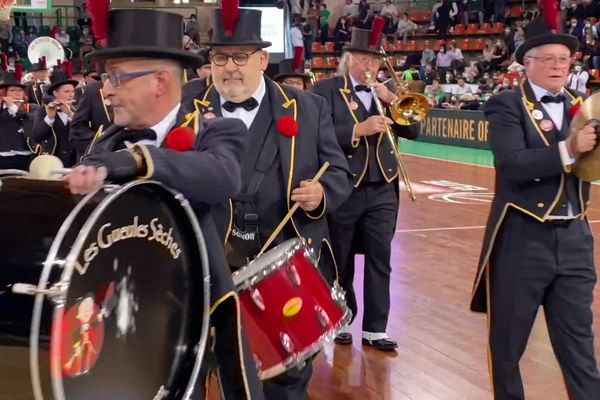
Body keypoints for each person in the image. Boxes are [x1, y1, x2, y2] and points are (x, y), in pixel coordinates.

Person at [64, 8, 263, 400]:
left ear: (159, 81)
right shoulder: (105, 143)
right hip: (120, 328)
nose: (107, 91)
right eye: (107, 78)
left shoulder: (216, 129)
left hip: (193, 323)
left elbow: (222, 175)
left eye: (116, 77)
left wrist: (136, 161)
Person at [194, 4, 352, 399]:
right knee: (228, 375)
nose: (229, 67)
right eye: (219, 57)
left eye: (240, 57)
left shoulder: (309, 107)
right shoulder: (187, 106)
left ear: (262, 60)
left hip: (290, 266)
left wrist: (320, 195)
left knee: (290, 380)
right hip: (215, 266)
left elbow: (338, 172)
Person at [470, 12, 600, 400]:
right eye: (549, 59)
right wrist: (568, 149)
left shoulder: (584, 106)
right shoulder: (505, 104)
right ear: (527, 64)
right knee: (508, 346)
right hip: (522, 237)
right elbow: (511, 165)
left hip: (576, 237)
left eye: (564, 59)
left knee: (580, 343)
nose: (559, 66)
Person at [312, 18, 420, 352]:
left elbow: (414, 131)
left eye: (374, 60)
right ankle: (342, 318)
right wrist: (358, 130)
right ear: (348, 60)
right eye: (363, 59)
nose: (369, 66)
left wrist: (391, 100)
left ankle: (375, 328)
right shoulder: (326, 90)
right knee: (340, 256)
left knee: (380, 256)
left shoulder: (387, 92)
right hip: (345, 187)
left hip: (384, 187)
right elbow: (320, 135)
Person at [31, 69, 78, 167]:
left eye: (72, 91)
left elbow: (82, 132)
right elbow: (37, 137)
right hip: (52, 160)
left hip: (75, 160)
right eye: (66, 91)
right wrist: (49, 118)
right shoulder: (43, 110)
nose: (71, 94)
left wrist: (70, 114)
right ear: (56, 93)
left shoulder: (76, 110)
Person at [0, 71, 37, 170]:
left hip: (28, 156)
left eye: (20, 90)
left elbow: (29, 119)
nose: (17, 93)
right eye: (12, 90)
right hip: (4, 157)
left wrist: (13, 107)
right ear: (4, 93)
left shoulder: (32, 108)